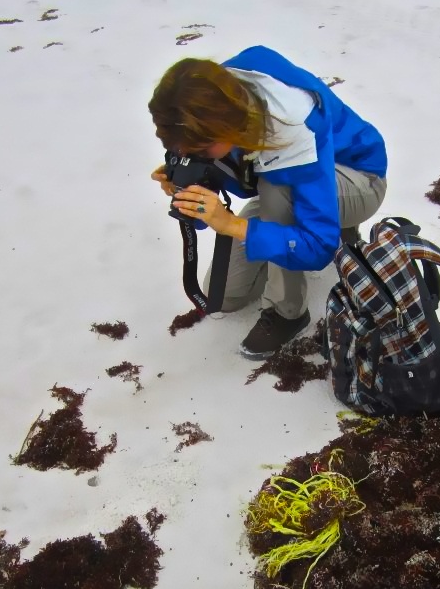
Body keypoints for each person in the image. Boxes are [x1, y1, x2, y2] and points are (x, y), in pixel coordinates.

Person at [149, 45, 388, 359]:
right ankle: (295, 222)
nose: (190, 154)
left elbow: (318, 247)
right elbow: (232, 177)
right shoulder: (206, 103)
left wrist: (233, 224)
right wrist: (187, 187)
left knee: (279, 192)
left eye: (199, 150)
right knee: (225, 295)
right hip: (288, 179)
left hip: (358, 179)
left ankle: (287, 312)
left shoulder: (293, 123)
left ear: (226, 128)